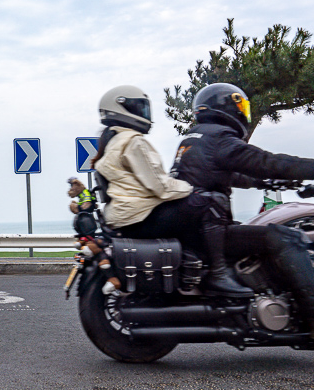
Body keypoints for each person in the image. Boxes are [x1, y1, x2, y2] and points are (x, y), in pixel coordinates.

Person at [168, 82, 314, 339]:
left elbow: (230, 174)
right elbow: (267, 162)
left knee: (262, 235)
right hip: (205, 230)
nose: (243, 111)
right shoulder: (219, 138)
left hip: (196, 227)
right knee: (286, 237)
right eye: (240, 104)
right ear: (227, 107)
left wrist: (264, 182)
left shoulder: (196, 139)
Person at [91, 84, 254, 298]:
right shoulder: (133, 142)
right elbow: (161, 187)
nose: (144, 113)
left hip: (128, 215)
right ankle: (218, 274)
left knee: (193, 208)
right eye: (139, 107)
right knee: (211, 203)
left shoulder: (114, 140)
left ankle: (192, 265)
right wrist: (190, 188)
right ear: (122, 108)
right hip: (140, 216)